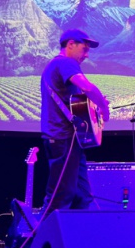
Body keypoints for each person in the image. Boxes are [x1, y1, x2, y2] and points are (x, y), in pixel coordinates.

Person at [40, 29, 110, 211]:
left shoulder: (58, 66)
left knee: (82, 196)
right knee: (60, 197)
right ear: (70, 44)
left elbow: (77, 103)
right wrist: (103, 107)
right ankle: (44, 230)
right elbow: (87, 87)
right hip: (63, 137)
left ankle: (80, 229)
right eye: (84, 49)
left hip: (70, 140)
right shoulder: (65, 62)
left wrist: (93, 106)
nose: (87, 55)